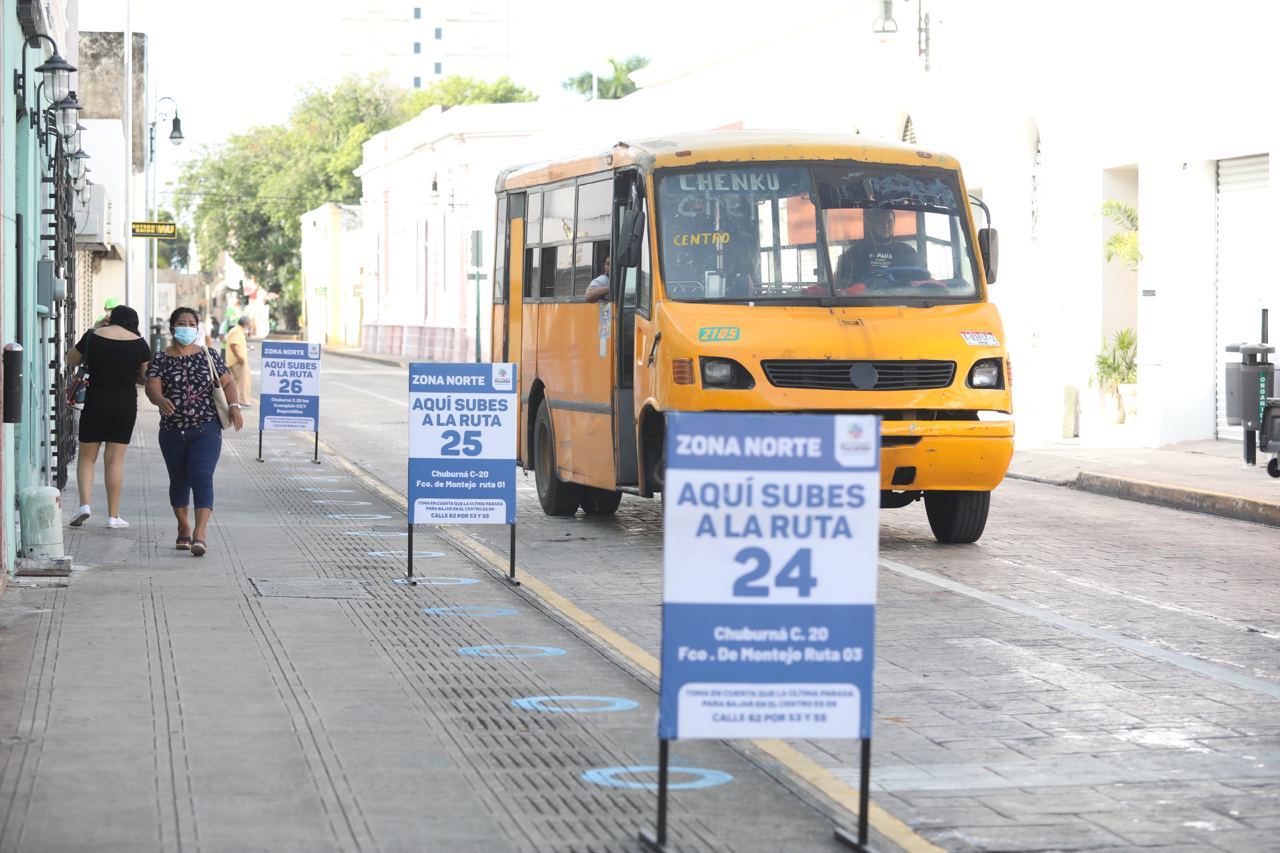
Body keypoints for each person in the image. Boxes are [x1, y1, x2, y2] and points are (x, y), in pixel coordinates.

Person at [145, 307, 244, 556]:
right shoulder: (160, 359)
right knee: (179, 481)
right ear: (172, 328)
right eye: (182, 323)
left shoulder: (208, 355)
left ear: (197, 328)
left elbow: (228, 382)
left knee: (201, 476)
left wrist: (234, 406)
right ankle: (183, 526)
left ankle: (200, 534)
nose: (187, 327)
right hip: (172, 430)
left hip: (206, 429)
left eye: (191, 323)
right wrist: (160, 400)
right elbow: (151, 387)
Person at [66, 305, 152, 528]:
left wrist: (94, 332)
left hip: (95, 401)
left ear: (111, 318)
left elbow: (71, 360)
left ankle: (84, 506)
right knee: (115, 460)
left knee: (87, 457)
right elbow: (144, 377)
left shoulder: (93, 336)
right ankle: (113, 516)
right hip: (124, 404)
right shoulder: (140, 343)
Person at [834, 208, 922, 288]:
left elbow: (920, 279)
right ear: (872, 224)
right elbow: (840, 284)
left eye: (890, 222)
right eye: (881, 221)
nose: (886, 226)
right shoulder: (854, 253)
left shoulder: (907, 252)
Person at [223, 316, 253, 409]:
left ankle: (234, 402)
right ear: (246, 324)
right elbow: (233, 345)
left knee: (234, 383)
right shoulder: (237, 331)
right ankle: (243, 401)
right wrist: (240, 358)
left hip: (233, 360)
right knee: (244, 381)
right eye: (249, 324)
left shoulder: (236, 330)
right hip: (238, 361)